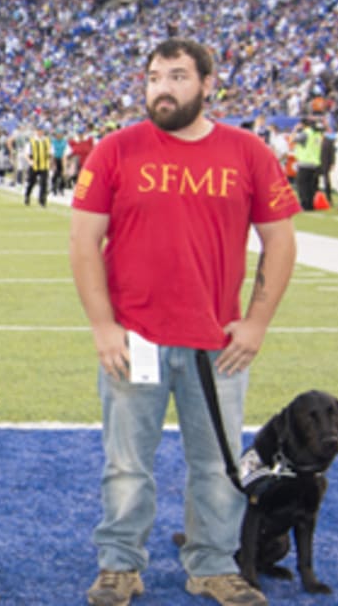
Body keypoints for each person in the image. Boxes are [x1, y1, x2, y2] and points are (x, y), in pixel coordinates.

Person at [70, 38, 298, 606]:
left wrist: (256, 323)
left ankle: (214, 565)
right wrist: (103, 326)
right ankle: (120, 564)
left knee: (219, 464)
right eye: (152, 77)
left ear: (206, 83)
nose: (161, 87)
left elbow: (281, 241)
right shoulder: (117, 149)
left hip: (217, 343)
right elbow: (83, 240)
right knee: (126, 464)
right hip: (136, 339)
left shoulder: (248, 152)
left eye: (176, 76)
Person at [291, 117, 322, 210]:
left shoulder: (306, 133)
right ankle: (311, 204)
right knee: (311, 185)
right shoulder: (317, 133)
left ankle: (305, 204)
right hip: (315, 162)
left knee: (302, 185)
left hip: (305, 162)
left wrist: (295, 130)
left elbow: (292, 139)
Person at [23, 126, 52, 207]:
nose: (40, 132)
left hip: (44, 165)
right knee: (31, 182)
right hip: (34, 164)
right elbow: (26, 153)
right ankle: (27, 196)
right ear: (36, 131)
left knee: (44, 183)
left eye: (41, 131)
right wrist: (30, 161)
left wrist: (50, 160)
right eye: (39, 130)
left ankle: (42, 200)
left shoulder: (47, 140)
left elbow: (50, 152)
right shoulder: (31, 141)